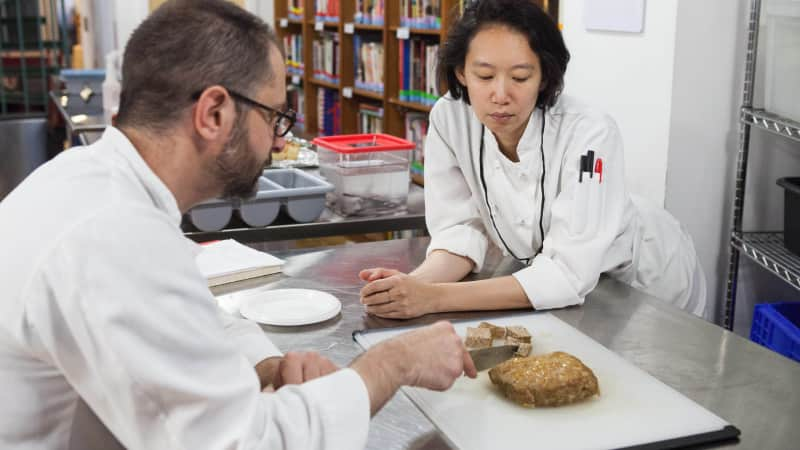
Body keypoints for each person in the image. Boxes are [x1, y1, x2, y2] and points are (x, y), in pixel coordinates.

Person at [0, 1, 476, 449]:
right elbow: (243, 442)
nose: (277, 140)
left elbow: (188, 314)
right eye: (275, 116)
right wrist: (392, 364)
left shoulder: (93, 182)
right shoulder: (110, 234)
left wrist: (265, 366)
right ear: (213, 113)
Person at [359, 0, 707, 320]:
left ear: (544, 77)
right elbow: (461, 230)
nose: (500, 95)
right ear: (461, 72)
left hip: (642, 283)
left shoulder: (589, 135)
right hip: (560, 281)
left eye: (521, 77)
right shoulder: (449, 119)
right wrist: (411, 287)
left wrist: (434, 299)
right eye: (484, 76)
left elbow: (568, 273)